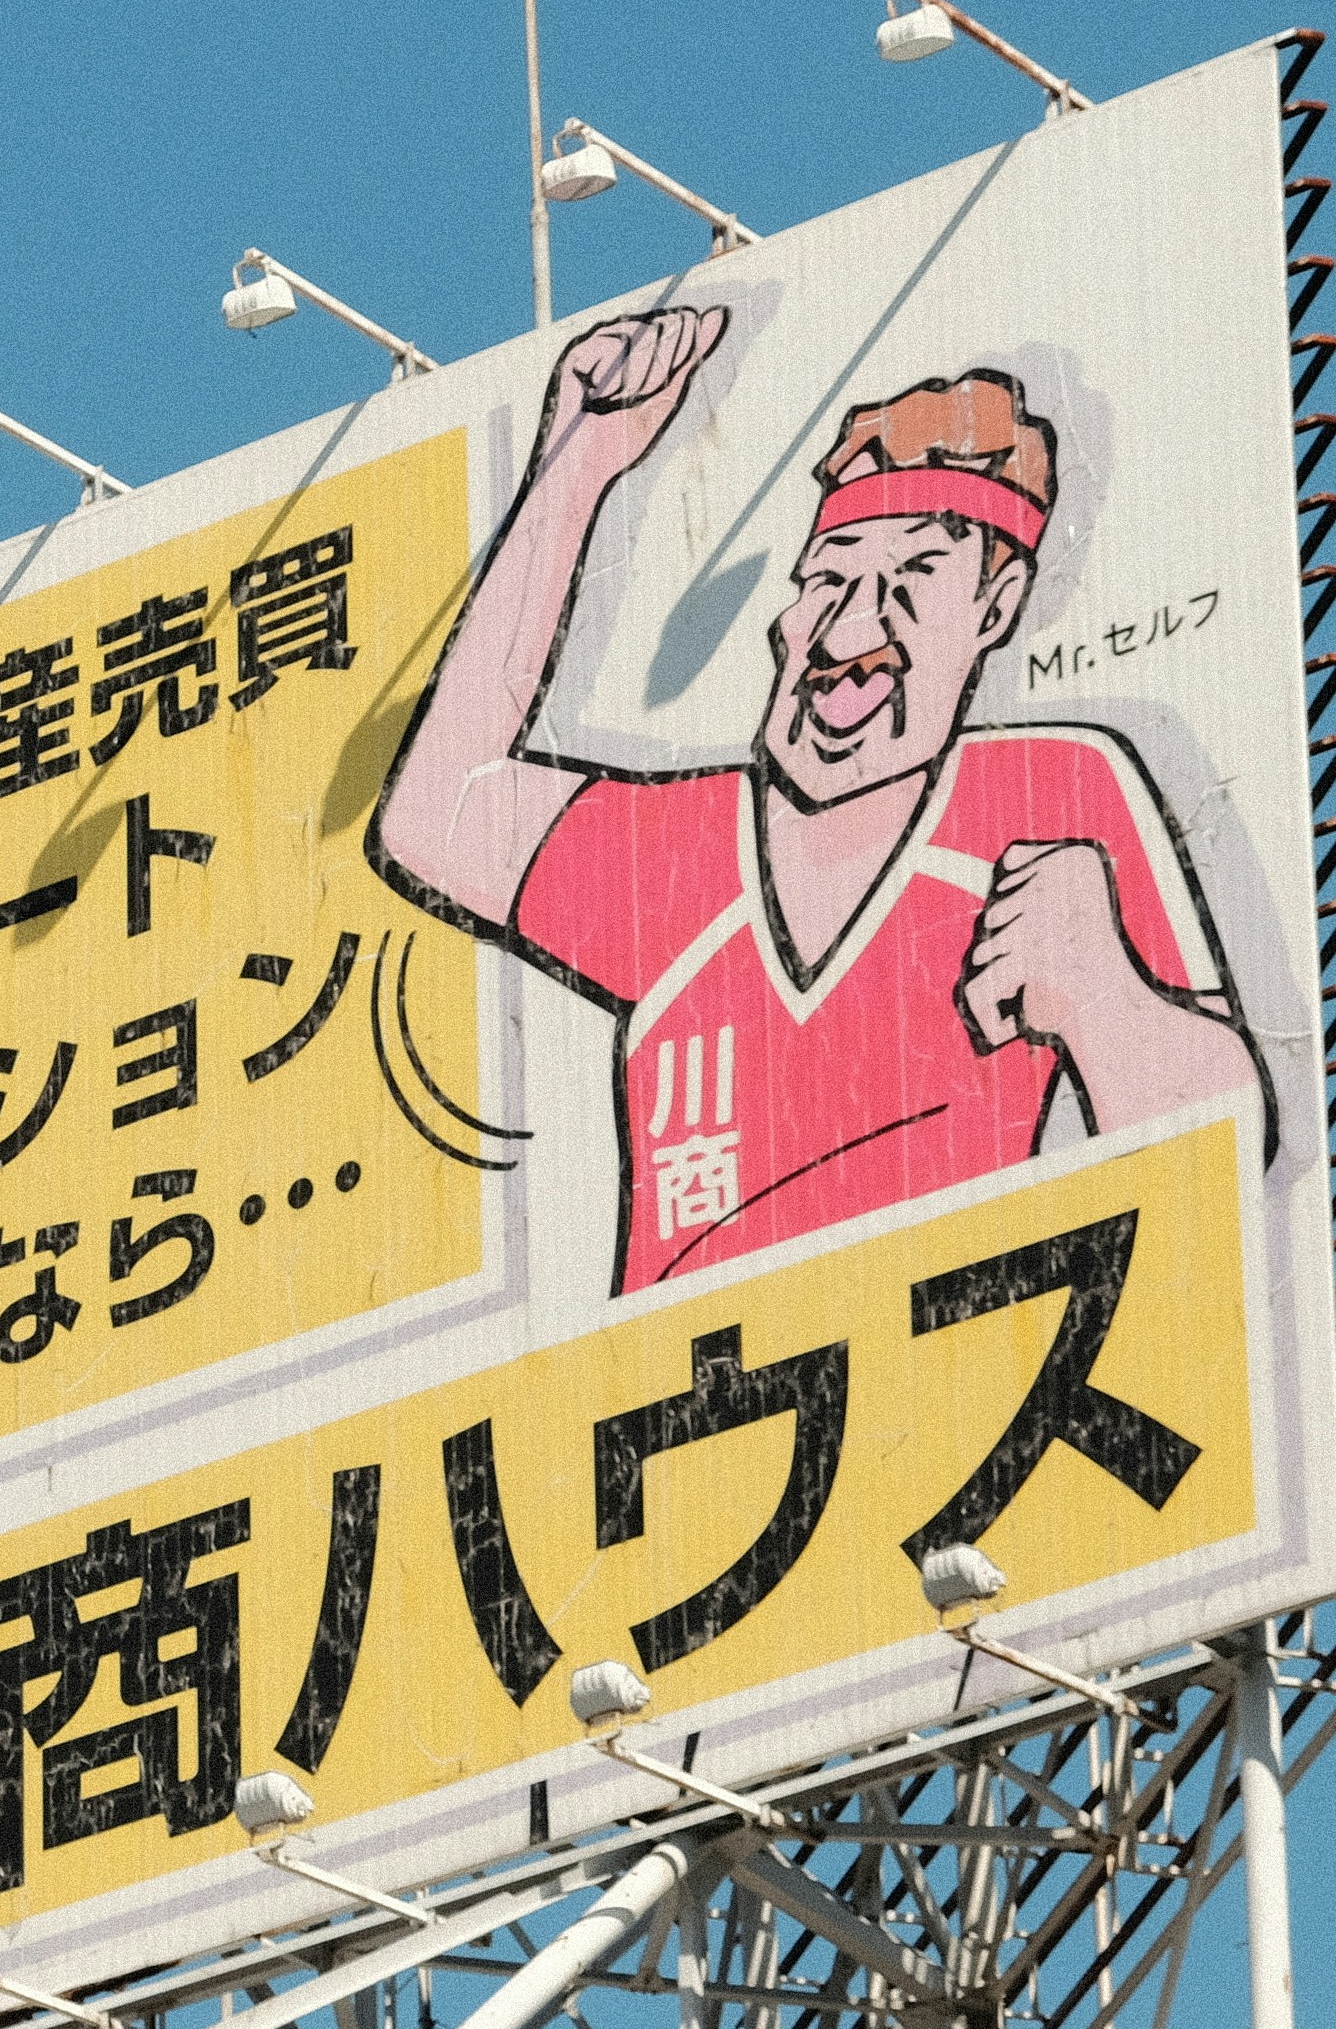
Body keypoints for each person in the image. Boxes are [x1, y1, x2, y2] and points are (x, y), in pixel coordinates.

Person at [375, 302, 1266, 1293]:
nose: (853, 627)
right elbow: (436, 812)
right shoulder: (679, 846)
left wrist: (1107, 998)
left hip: (947, 1387)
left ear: (995, 609)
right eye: (830, 579)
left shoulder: (1044, 792)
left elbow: (1222, 1149)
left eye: (915, 576)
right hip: (679, 1415)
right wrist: (577, 465)